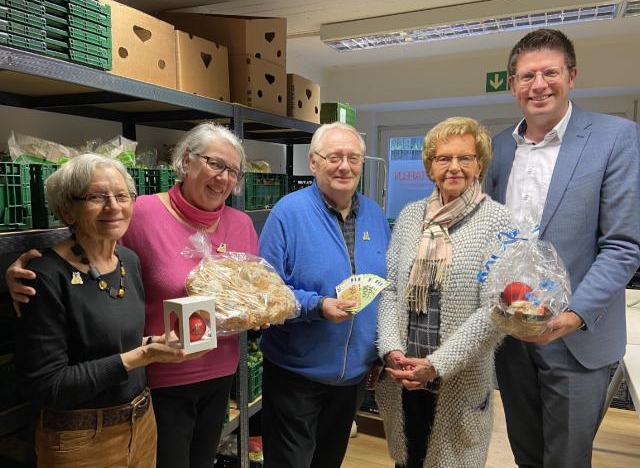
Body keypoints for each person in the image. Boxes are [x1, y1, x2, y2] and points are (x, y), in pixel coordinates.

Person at [7, 123, 258, 468]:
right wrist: (20, 273)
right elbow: (81, 250)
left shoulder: (236, 225)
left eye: (233, 170)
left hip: (202, 379)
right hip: (154, 382)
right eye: (215, 164)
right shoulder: (139, 215)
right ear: (186, 161)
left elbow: (251, 292)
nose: (224, 177)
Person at [485, 28, 640, 468]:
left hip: (575, 336)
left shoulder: (616, 138)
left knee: (568, 460)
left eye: (549, 72)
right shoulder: (497, 149)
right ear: (512, 84)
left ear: (571, 76)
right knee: (526, 455)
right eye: (526, 76)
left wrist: (572, 317)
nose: (538, 85)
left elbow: (624, 245)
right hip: (512, 335)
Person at [14, 153, 203, 468]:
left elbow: (112, 345)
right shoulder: (45, 275)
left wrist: (150, 345)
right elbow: (46, 385)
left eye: (122, 195)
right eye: (96, 197)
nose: (114, 206)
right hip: (80, 440)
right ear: (66, 210)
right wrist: (140, 358)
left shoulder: (128, 260)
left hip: (142, 423)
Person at [375, 117, 513, 468]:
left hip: (458, 379)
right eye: (443, 158)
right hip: (406, 375)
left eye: (465, 158)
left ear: (479, 164)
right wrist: (392, 349)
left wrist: (436, 366)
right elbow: (391, 288)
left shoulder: (498, 221)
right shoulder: (410, 217)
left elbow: (494, 311)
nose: (454, 167)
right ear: (429, 167)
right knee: (408, 458)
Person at [258, 121, 390, 468]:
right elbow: (266, 292)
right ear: (313, 162)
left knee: (329, 461)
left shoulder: (375, 216)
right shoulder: (288, 213)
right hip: (295, 373)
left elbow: (384, 289)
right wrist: (316, 306)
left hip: (352, 379)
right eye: (334, 157)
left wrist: (377, 354)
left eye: (353, 158)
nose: (344, 166)